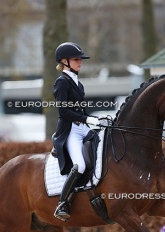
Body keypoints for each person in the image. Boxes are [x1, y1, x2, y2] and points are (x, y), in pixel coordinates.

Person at [52, 42, 100, 221]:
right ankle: (62, 203)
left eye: (80, 59)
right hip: (70, 130)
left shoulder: (78, 84)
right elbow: (63, 111)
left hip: (82, 127)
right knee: (79, 165)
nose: (80, 62)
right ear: (64, 61)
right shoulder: (61, 83)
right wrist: (86, 119)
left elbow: (81, 111)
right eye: (76, 59)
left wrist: (96, 120)